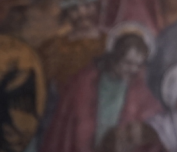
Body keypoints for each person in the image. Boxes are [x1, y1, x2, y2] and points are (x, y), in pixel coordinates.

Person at [41, 22, 163, 152]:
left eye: (138, 65)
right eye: (128, 63)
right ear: (115, 56)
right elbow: (62, 129)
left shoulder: (141, 92)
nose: (133, 70)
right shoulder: (84, 83)